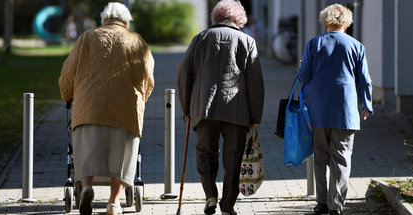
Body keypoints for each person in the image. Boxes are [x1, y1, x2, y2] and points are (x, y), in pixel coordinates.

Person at [58, 2, 154, 215]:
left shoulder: (86, 38)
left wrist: (67, 95)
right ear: (126, 21)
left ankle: (87, 187)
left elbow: (68, 73)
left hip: (88, 108)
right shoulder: (136, 40)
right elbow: (146, 77)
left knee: (86, 151)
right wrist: (142, 99)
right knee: (122, 156)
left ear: (104, 19)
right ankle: (114, 202)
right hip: (125, 112)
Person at [177, 0, 264, 214]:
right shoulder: (246, 41)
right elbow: (255, 82)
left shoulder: (200, 39)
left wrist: (186, 107)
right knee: (233, 157)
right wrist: (255, 115)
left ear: (216, 16)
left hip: (203, 108)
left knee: (205, 153)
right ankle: (228, 206)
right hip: (237, 110)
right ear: (238, 19)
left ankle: (210, 197)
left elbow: (183, 74)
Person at [297, 4, 373, 215]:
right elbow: (364, 80)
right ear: (347, 23)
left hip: (317, 111)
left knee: (320, 157)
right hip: (345, 112)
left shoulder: (314, 44)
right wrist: (367, 105)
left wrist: (301, 65)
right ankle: (336, 205)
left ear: (325, 22)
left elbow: (302, 77)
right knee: (341, 158)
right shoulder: (356, 46)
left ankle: (321, 202)